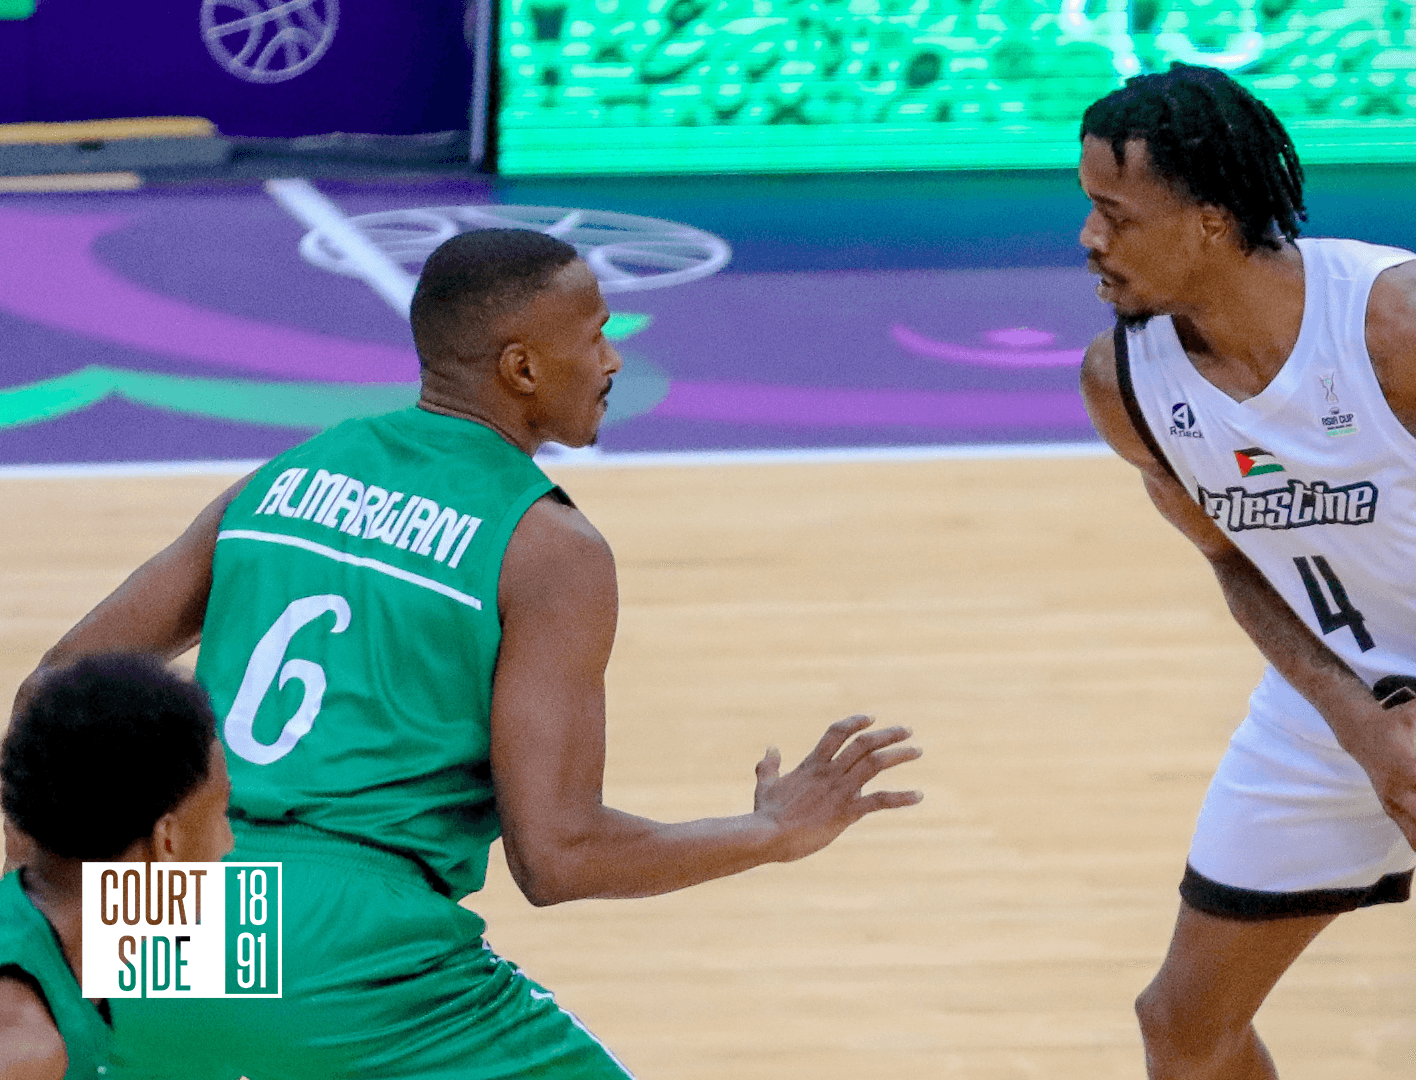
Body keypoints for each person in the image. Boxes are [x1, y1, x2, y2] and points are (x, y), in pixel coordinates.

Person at [24, 228, 923, 1078]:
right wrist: (769, 833)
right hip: (351, 934)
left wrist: (59, 898)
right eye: (597, 335)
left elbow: (52, 689)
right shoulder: (549, 547)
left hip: (152, 916)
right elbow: (558, 857)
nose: (613, 360)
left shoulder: (285, 476)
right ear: (522, 368)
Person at [1074, 65, 1416, 1080]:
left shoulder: (1413, 331)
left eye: (1115, 214)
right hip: (1330, 706)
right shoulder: (1128, 386)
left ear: (1209, 224)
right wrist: (1356, 723)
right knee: (1184, 1030)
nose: (1089, 238)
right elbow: (1229, 556)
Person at [1, 653, 235, 1080]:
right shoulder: (25, 1046)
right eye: (220, 815)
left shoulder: (55, 946)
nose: (229, 842)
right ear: (168, 840)